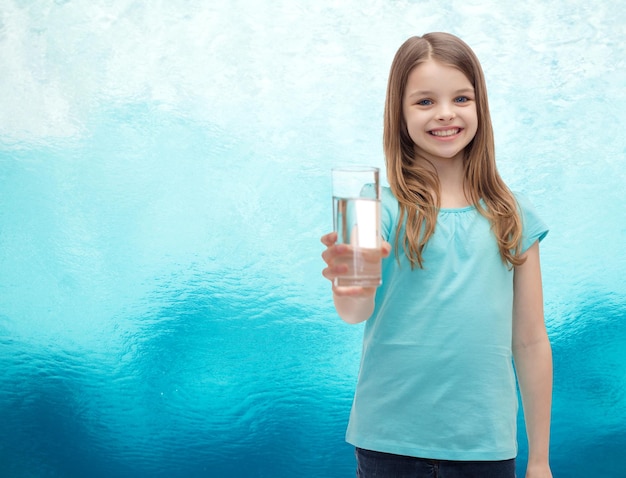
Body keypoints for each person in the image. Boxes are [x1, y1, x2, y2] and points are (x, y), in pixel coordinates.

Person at [321, 32, 553, 478]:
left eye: (460, 98)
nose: (445, 113)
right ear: (400, 114)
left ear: (479, 106)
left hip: (485, 447)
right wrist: (347, 281)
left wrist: (539, 459)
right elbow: (355, 310)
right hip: (387, 443)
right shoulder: (374, 208)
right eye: (425, 102)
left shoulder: (514, 215)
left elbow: (529, 340)